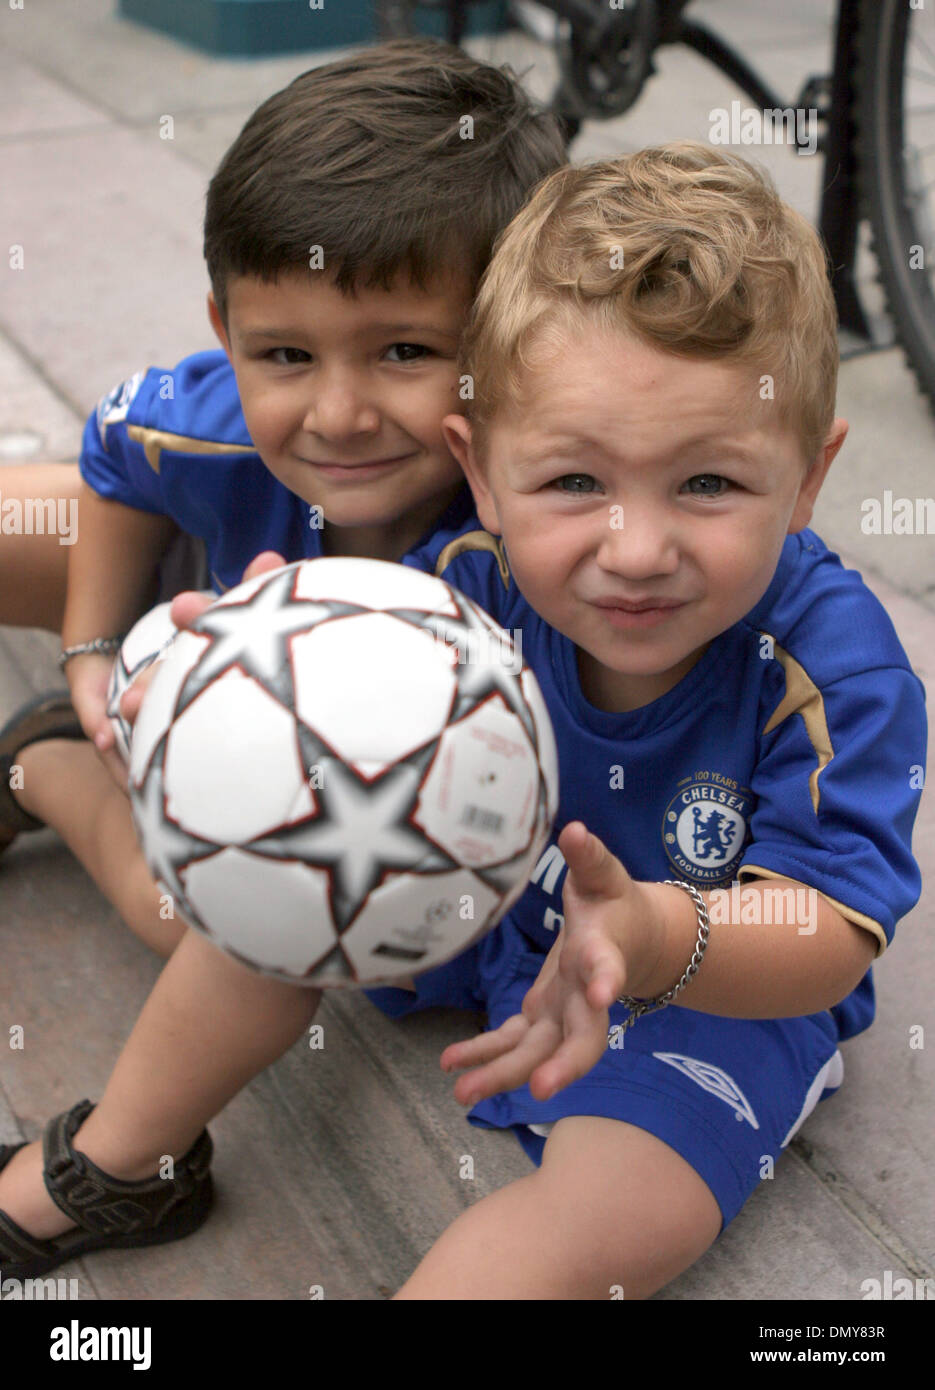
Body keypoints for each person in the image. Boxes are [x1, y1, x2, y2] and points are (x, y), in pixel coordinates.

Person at [1, 142, 924, 1298]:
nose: (634, 548)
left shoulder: (833, 668)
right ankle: (117, 1165)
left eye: (708, 484)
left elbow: (828, 929)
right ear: (478, 471)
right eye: (572, 482)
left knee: (595, 1216)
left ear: (805, 479)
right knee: (282, 875)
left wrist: (645, 934)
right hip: (485, 900)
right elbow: (345, 669)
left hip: (701, 987)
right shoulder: (470, 577)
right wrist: (225, 678)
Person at [0, 38, 566, 954]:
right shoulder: (215, 423)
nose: (337, 416)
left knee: (195, 928)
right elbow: (113, 459)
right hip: (190, 571)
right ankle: (85, 708)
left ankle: (45, 764)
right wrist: (93, 651)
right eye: (286, 355)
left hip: (304, 717)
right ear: (226, 333)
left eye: (405, 352)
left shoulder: (537, 530)